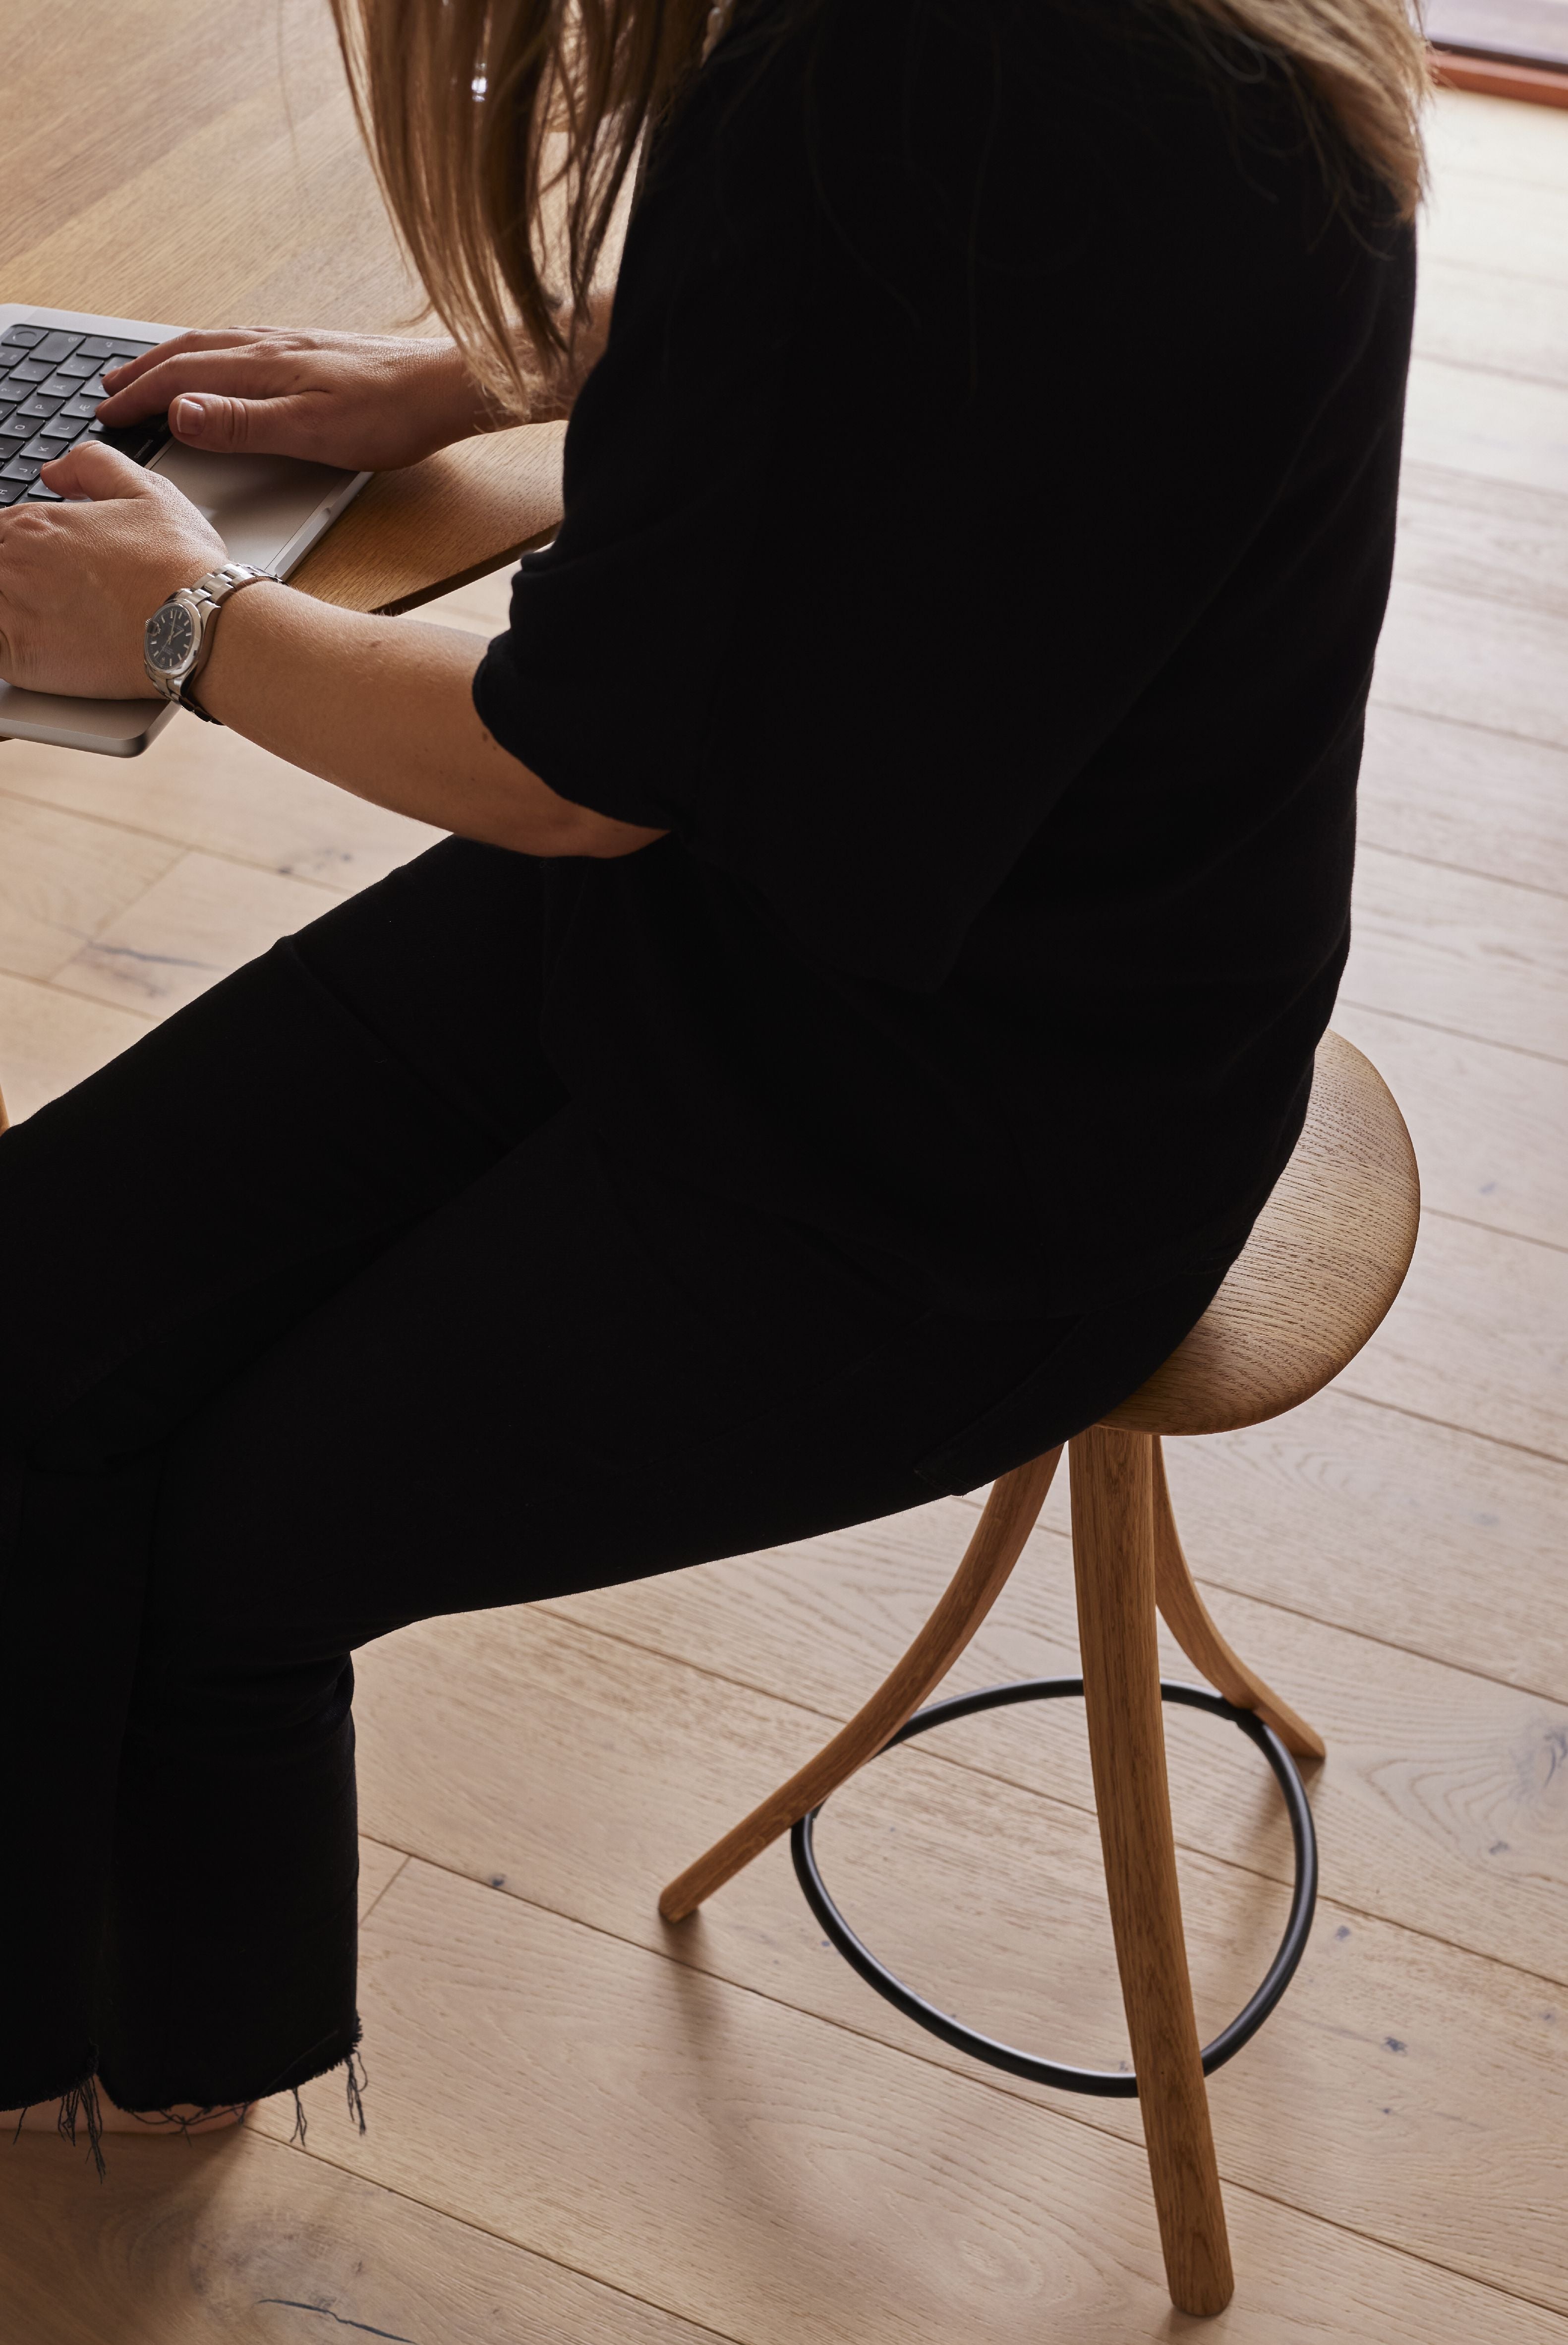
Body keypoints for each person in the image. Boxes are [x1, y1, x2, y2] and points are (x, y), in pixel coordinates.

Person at [0, 0, 1425, 2157]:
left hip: (969, 1146)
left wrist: (187, 629)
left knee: (224, 1545)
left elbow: (579, 775)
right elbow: (913, 349)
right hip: (847, 922)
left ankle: (173, 2055)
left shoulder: (933, 93)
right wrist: (514, 363)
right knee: (39, 1313)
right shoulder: (1012, 78)